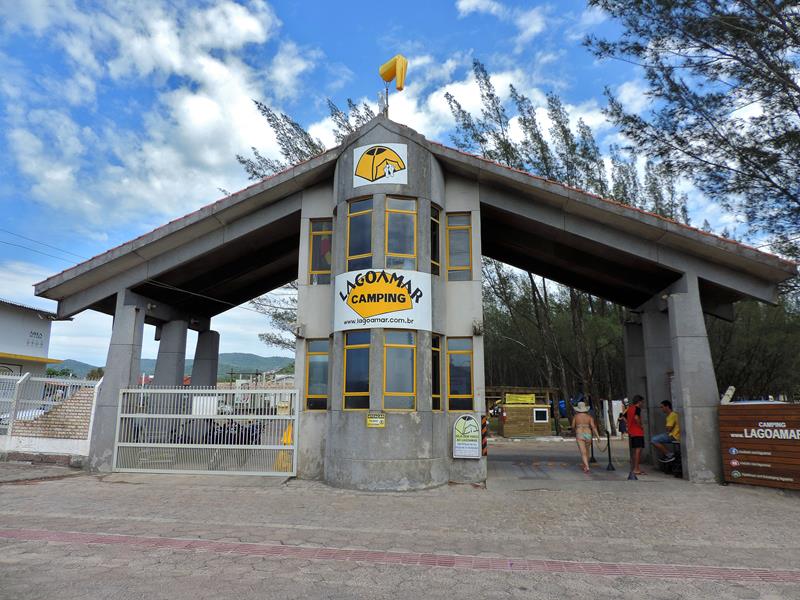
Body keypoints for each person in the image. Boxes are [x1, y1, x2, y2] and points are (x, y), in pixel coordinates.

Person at [571, 401, 599, 473]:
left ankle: (586, 466)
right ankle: (585, 465)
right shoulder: (589, 417)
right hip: (588, 434)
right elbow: (593, 427)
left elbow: (573, 426)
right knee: (587, 450)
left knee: (583, 452)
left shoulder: (576, 417)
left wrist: (576, 428)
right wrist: (597, 436)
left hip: (580, 433)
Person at [626, 395, 645, 475]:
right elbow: (636, 417)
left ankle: (635, 467)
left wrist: (629, 425)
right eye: (642, 402)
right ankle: (636, 469)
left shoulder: (630, 408)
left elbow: (624, 417)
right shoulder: (637, 409)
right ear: (639, 402)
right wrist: (640, 425)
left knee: (635, 451)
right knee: (638, 450)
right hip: (637, 432)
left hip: (632, 431)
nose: (643, 404)